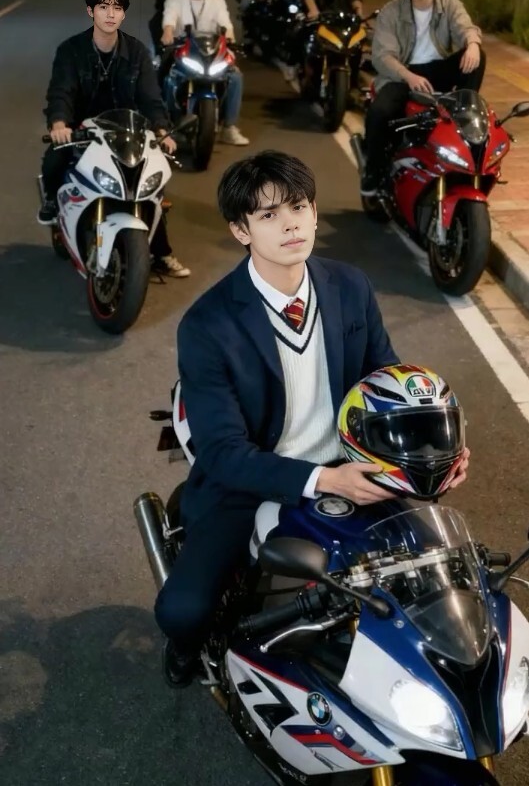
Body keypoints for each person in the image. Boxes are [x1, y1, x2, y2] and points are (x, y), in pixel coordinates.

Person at [153, 149, 470, 686]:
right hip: (251, 480)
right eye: (268, 215)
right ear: (241, 230)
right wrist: (323, 479)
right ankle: (187, 651)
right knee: (183, 611)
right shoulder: (207, 324)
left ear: (316, 213)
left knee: (435, 575)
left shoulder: (349, 286)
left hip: (352, 465)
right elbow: (223, 452)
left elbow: (385, 378)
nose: (290, 224)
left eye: (298, 207)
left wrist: (435, 451)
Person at [38, 0, 190, 279]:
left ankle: (160, 252)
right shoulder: (71, 50)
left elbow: (150, 97)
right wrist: (59, 123)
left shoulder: (137, 52)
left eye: (117, 8)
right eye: (103, 7)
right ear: (90, 11)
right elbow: (61, 92)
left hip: (125, 131)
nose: (110, 14)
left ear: (123, 14)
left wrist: (161, 129)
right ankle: (54, 204)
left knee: (150, 186)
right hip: (82, 129)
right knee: (54, 158)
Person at [361, 0, 486, 198]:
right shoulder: (391, 11)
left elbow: (466, 27)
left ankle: (466, 119)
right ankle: (372, 170)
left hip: (438, 69)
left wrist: (473, 43)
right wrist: (408, 76)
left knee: (478, 56)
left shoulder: (449, 3)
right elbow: (382, 56)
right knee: (379, 112)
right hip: (402, 73)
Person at [161, 0, 249, 147]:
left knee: (235, 77)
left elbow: (226, 24)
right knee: (167, 77)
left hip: (212, 53)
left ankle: (229, 128)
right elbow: (169, 18)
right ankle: (166, 125)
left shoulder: (217, 0)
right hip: (184, 51)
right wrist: (168, 33)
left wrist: (231, 39)